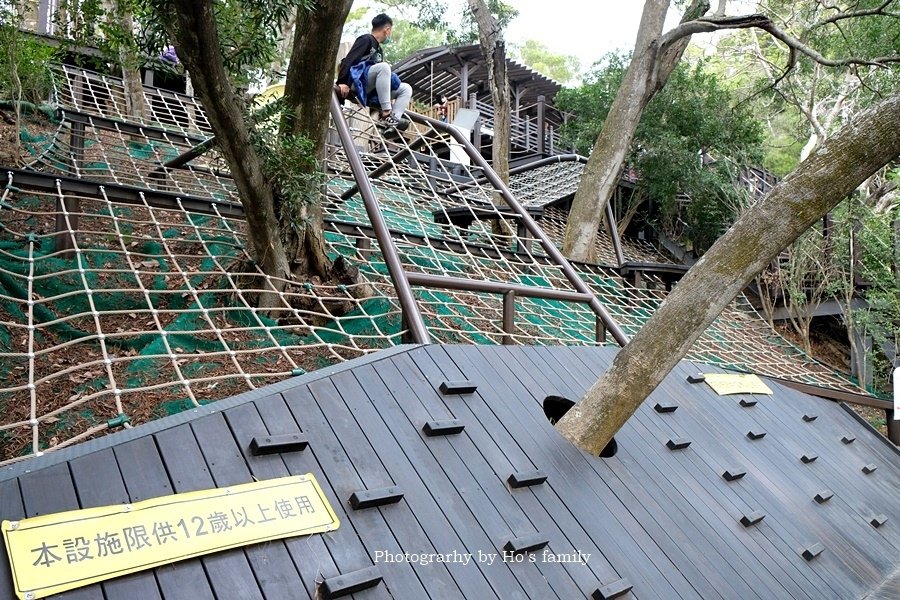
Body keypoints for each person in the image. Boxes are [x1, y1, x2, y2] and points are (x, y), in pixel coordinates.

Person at [335, 13, 412, 130]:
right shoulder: (366, 39)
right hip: (357, 83)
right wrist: (342, 82)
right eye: (390, 31)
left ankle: (392, 124)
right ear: (387, 30)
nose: (390, 34)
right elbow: (349, 60)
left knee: (406, 88)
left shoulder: (379, 50)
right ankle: (386, 112)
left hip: (370, 90)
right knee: (384, 67)